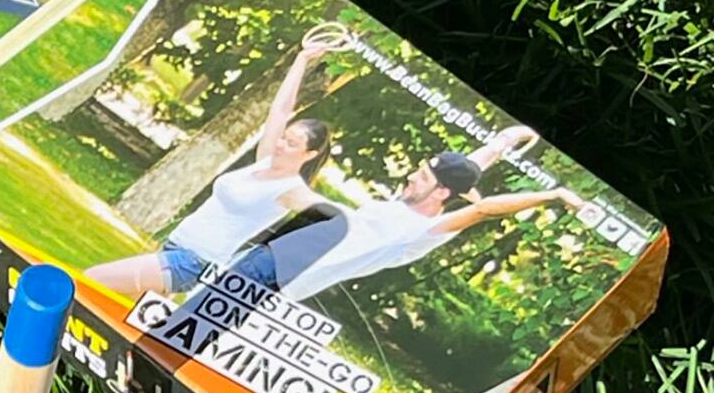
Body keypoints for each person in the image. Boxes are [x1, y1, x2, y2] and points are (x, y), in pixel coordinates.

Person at [87, 36, 339, 299]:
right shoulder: (265, 159)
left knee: (92, 280)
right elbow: (279, 110)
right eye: (284, 137)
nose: (281, 144)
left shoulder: (291, 190)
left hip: (192, 262)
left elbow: (330, 215)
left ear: (308, 154)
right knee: (126, 320)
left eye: (292, 144)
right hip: (174, 246)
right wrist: (303, 59)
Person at [222, 131, 578, 305]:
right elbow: (465, 170)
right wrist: (504, 140)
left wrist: (553, 195)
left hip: (280, 284)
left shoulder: (424, 230)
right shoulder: (408, 202)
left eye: (422, 178)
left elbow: (483, 209)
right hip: (273, 255)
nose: (411, 177)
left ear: (441, 195)